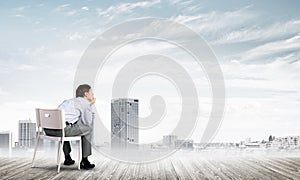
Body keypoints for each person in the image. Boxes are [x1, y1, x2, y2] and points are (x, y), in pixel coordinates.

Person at [44, 84, 96, 169]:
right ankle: (85, 160)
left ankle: (67, 158)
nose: (93, 94)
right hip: (61, 130)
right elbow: (88, 122)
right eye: (91, 92)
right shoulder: (85, 103)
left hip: (48, 129)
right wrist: (90, 105)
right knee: (88, 130)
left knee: (64, 126)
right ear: (86, 94)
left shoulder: (67, 101)